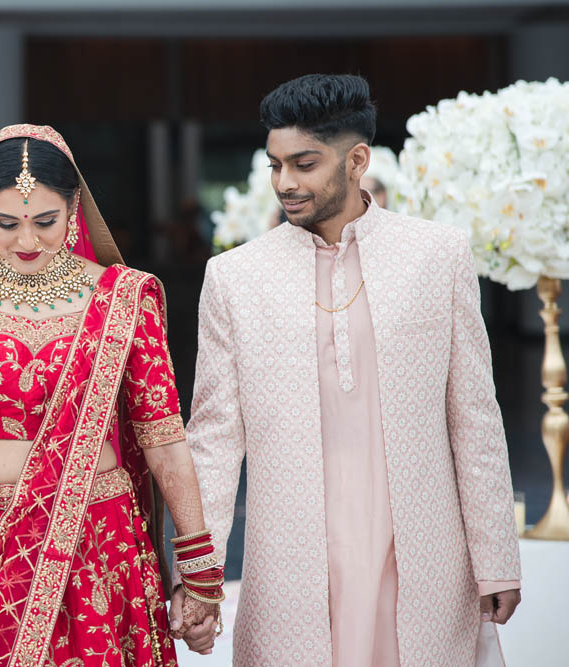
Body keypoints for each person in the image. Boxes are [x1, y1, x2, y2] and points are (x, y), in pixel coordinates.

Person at [186, 74, 521, 666]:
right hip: (293, 557)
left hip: (420, 551)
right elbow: (213, 440)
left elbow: (473, 416)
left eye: (304, 163)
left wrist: (494, 555)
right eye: (275, 164)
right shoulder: (236, 278)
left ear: (356, 160)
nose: (285, 182)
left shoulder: (437, 255)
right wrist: (200, 572)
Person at [0, 124, 223, 665]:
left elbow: (164, 442)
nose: (27, 242)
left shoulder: (124, 299)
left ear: (74, 209)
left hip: (98, 534)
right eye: (7, 224)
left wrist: (197, 566)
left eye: (45, 221)